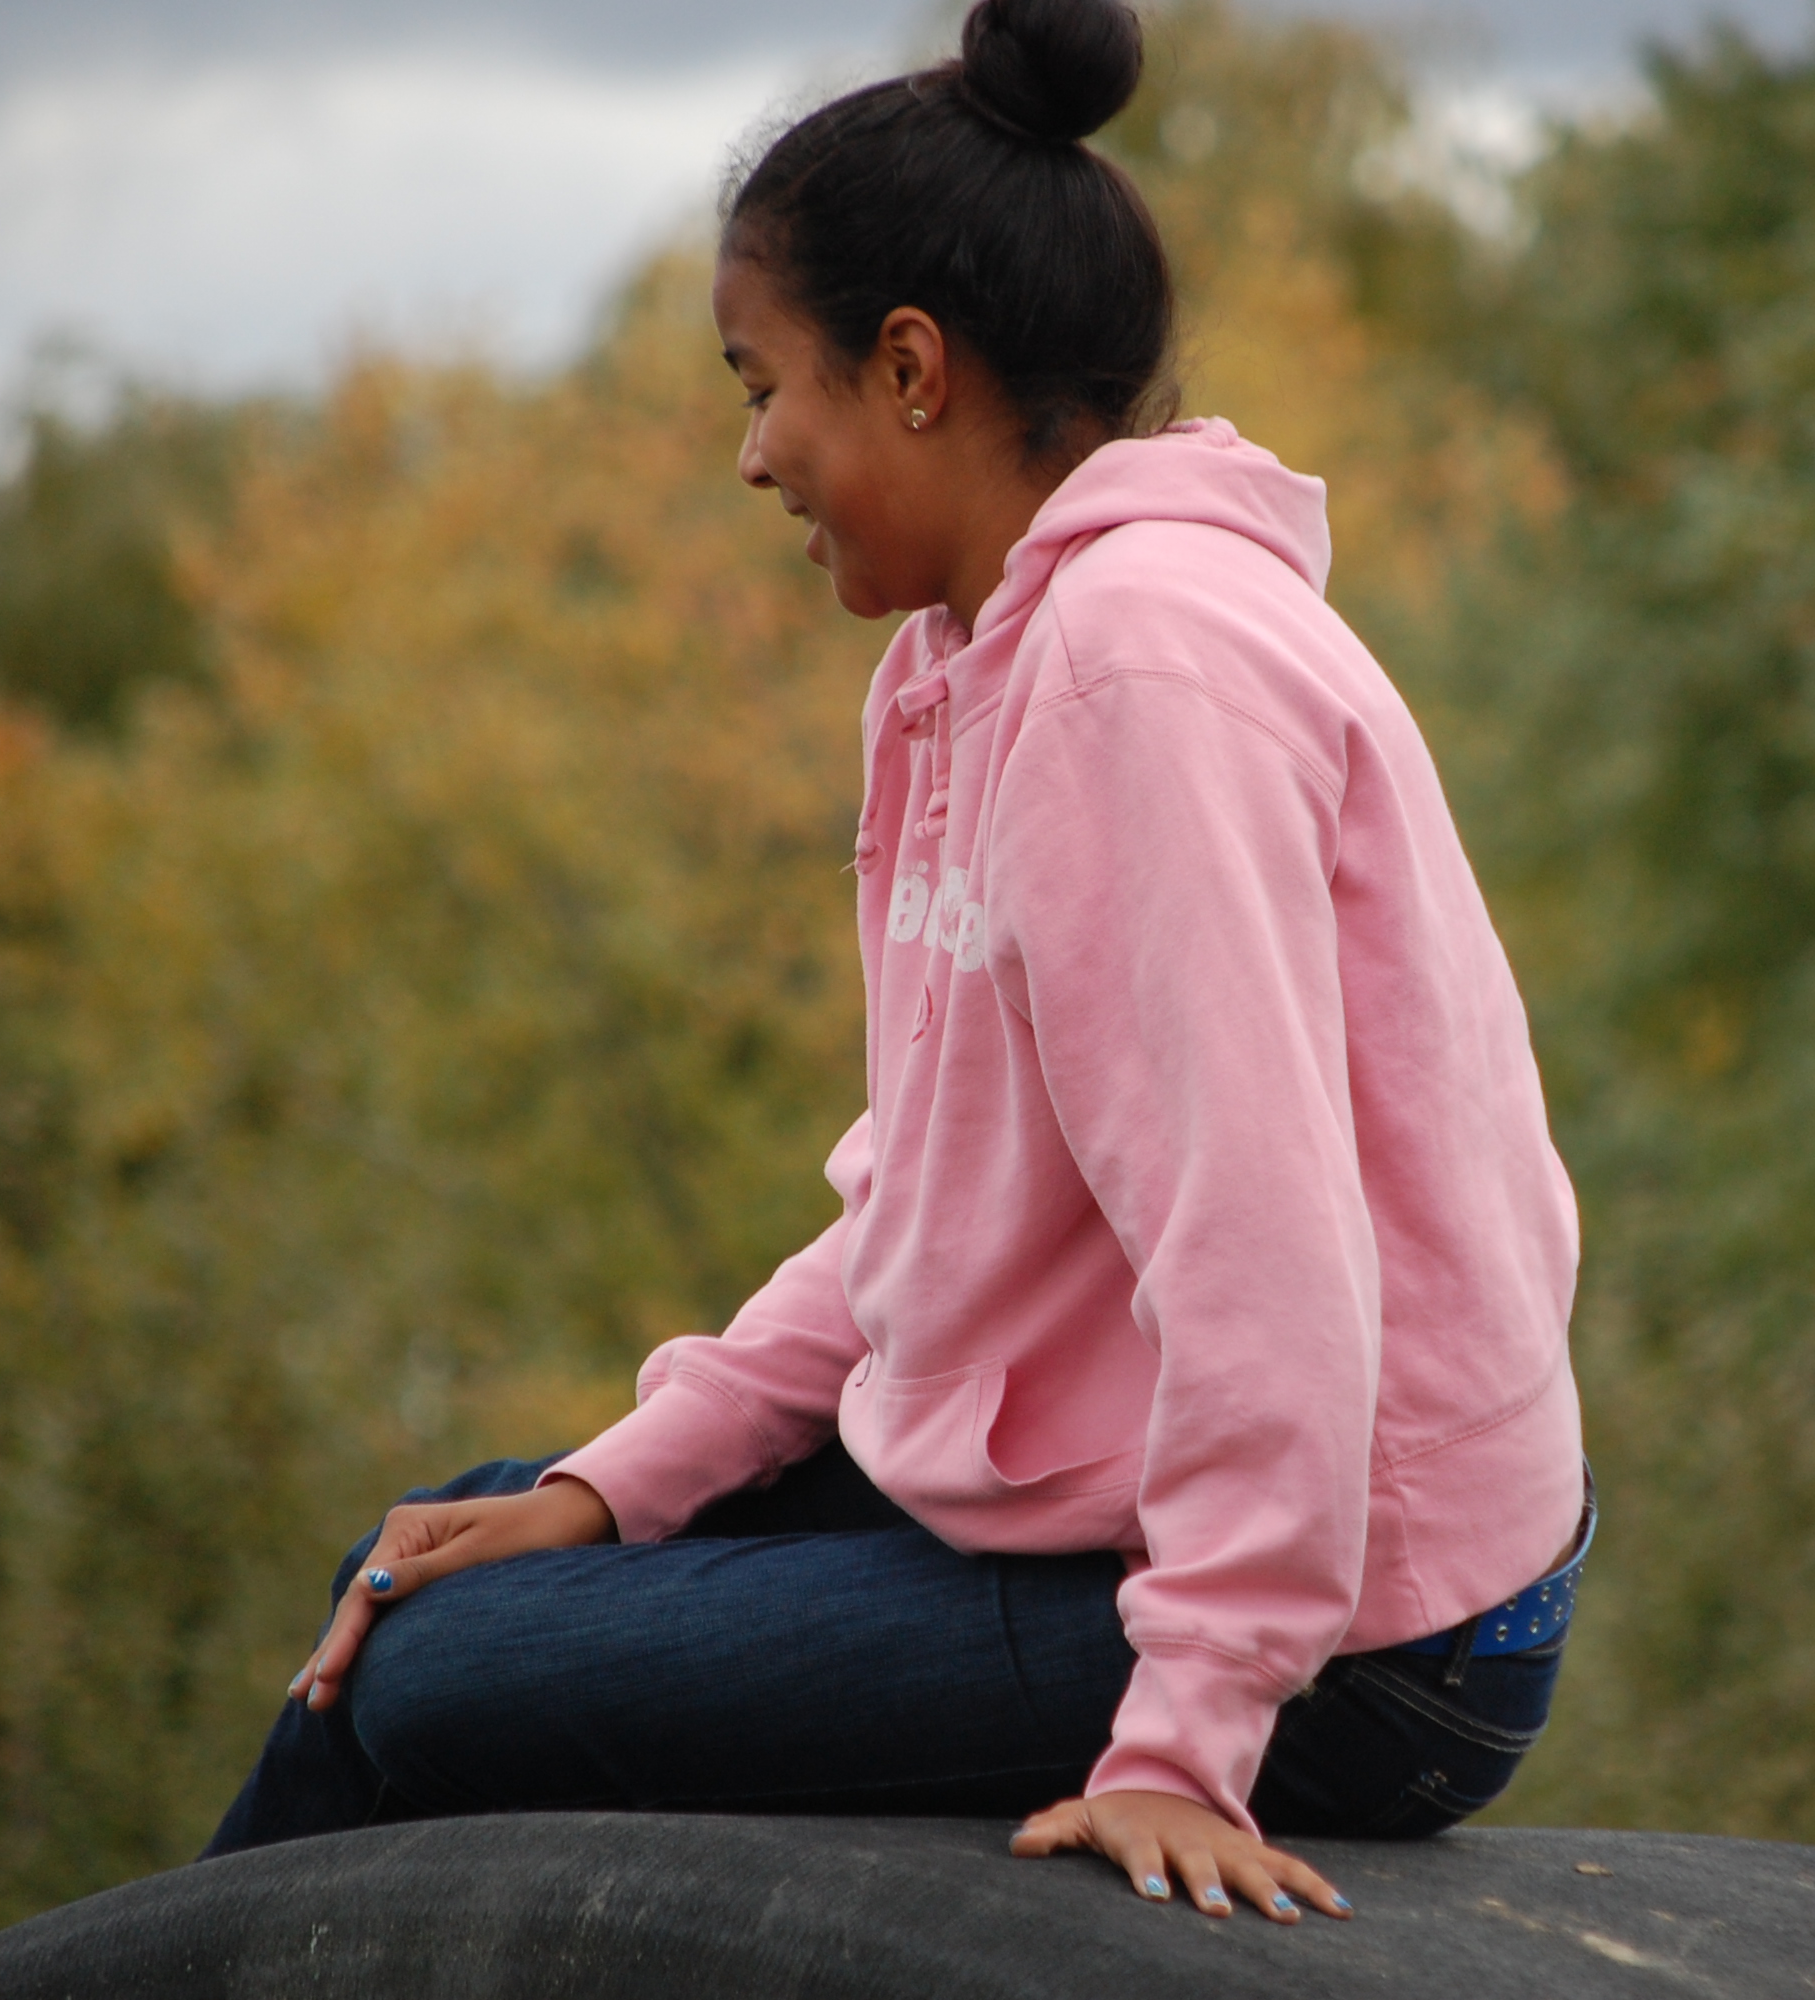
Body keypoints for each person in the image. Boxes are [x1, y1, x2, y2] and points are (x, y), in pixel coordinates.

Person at [203, 0, 1588, 1926]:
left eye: (763, 385)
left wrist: (1185, 1737)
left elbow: (1264, 1246)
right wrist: (617, 1485)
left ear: (912, 369)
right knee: (440, 1555)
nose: (751, 455)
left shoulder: (1134, 673)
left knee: (432, 1682)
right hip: (1166, 1503)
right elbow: (930, 1215)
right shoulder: (959, 669)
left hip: (1377, 1634)